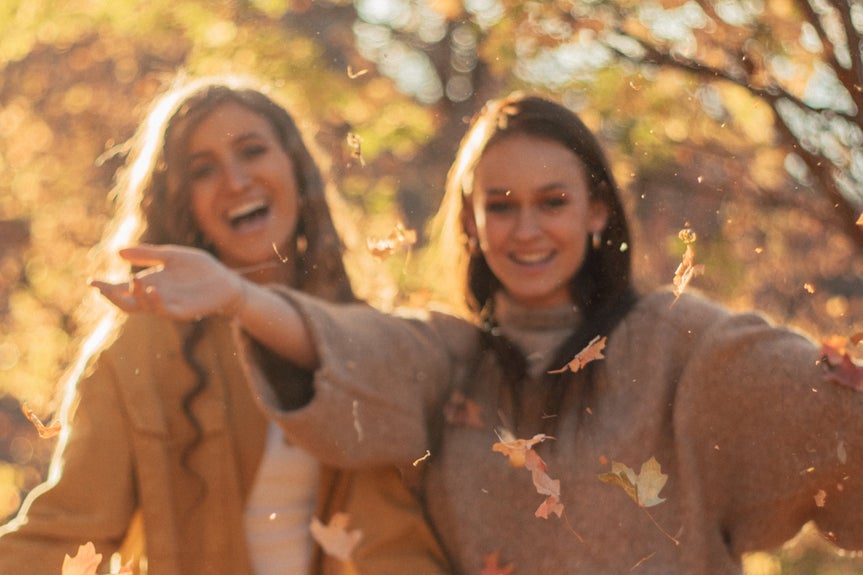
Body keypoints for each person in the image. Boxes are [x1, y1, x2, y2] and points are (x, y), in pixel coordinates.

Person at [93, 92, 863, 574]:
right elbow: (348, 347)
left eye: (551, 200)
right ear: (469, 220)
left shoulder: (682, 344)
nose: (525, 229)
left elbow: (831, 426)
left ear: (596, 212)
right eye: (499, 204)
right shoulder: (447, 357)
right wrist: (235, 295)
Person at [0, 74, 451, 575]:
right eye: (203, 170)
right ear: (180, 201)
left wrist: (242, 299)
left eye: (252, 151)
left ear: (297, 169)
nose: (236, 181)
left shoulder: (370, 338)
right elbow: (66, 530)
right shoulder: (141, 347)